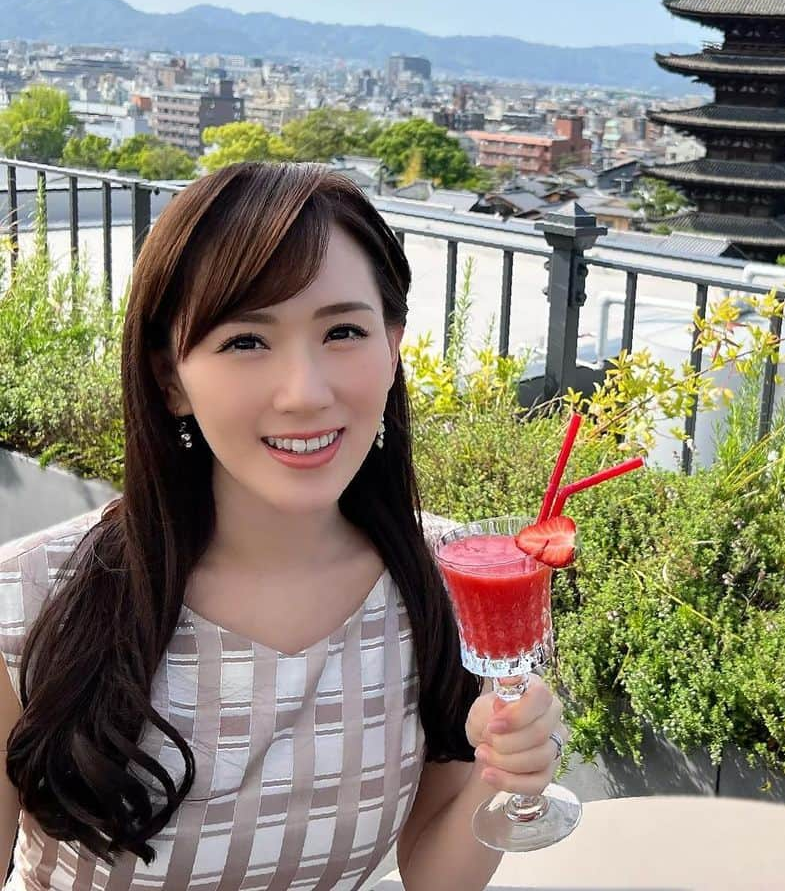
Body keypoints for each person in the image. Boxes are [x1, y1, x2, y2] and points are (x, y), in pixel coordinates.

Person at [0, 162, 567, 890]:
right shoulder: (31, 599)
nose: (305, 392)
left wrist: (504, 774)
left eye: (343, 331)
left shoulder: (445, 577)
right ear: (170, 376)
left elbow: (434, 871)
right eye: (246, 341)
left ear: (393, 348)